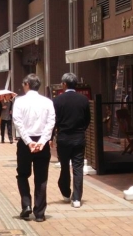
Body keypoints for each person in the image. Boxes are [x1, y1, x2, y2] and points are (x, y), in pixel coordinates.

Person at [12, 74, 55, 222]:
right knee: (41, 178)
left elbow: (17, 122)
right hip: (42, 143)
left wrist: (28, 141)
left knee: (22, 175)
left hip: (25, 143)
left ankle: (26, 205)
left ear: (27, 84)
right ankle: (40, 213)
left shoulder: (19, 101)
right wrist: (42, 141)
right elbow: (51, 123)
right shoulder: (48, 102)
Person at [51, 73, 91, 209]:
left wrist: (51, 137)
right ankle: (77, 198)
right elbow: (87, 120)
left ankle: (66, 192)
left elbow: (53, 121)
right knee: (78, 168)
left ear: (64, 84)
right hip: (79, 137)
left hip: (63, 138)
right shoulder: (84, 100)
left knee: (64, 166)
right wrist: (81, 129)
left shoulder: (57, 101)